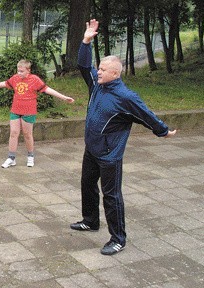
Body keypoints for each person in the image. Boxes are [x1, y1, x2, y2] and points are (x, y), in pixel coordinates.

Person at [71, 19, 177, 255]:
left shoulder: (126, 97)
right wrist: (86, 41)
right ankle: (90, 220)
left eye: (102, 69)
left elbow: (146, 115)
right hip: (92, 148)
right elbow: (82, 65)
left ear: (115, 73)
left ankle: (118, 238)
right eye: (98, 68)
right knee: (87, 185)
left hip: (110, 155)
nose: (97, 71)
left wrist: (163, 131)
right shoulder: (97, 85)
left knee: (112, 195)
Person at [0, 60, 75, 168]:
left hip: (28, 112)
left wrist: (64, 97)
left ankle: (30, 156)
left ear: (28, 70)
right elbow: (5, 83)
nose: (19, 73)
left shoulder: (35, 80)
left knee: (28, 134)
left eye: (22, 71)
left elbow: (47, 89)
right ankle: (11, 158)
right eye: (18, 70)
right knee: (13, 133)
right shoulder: (15, 78)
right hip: (15, 110)